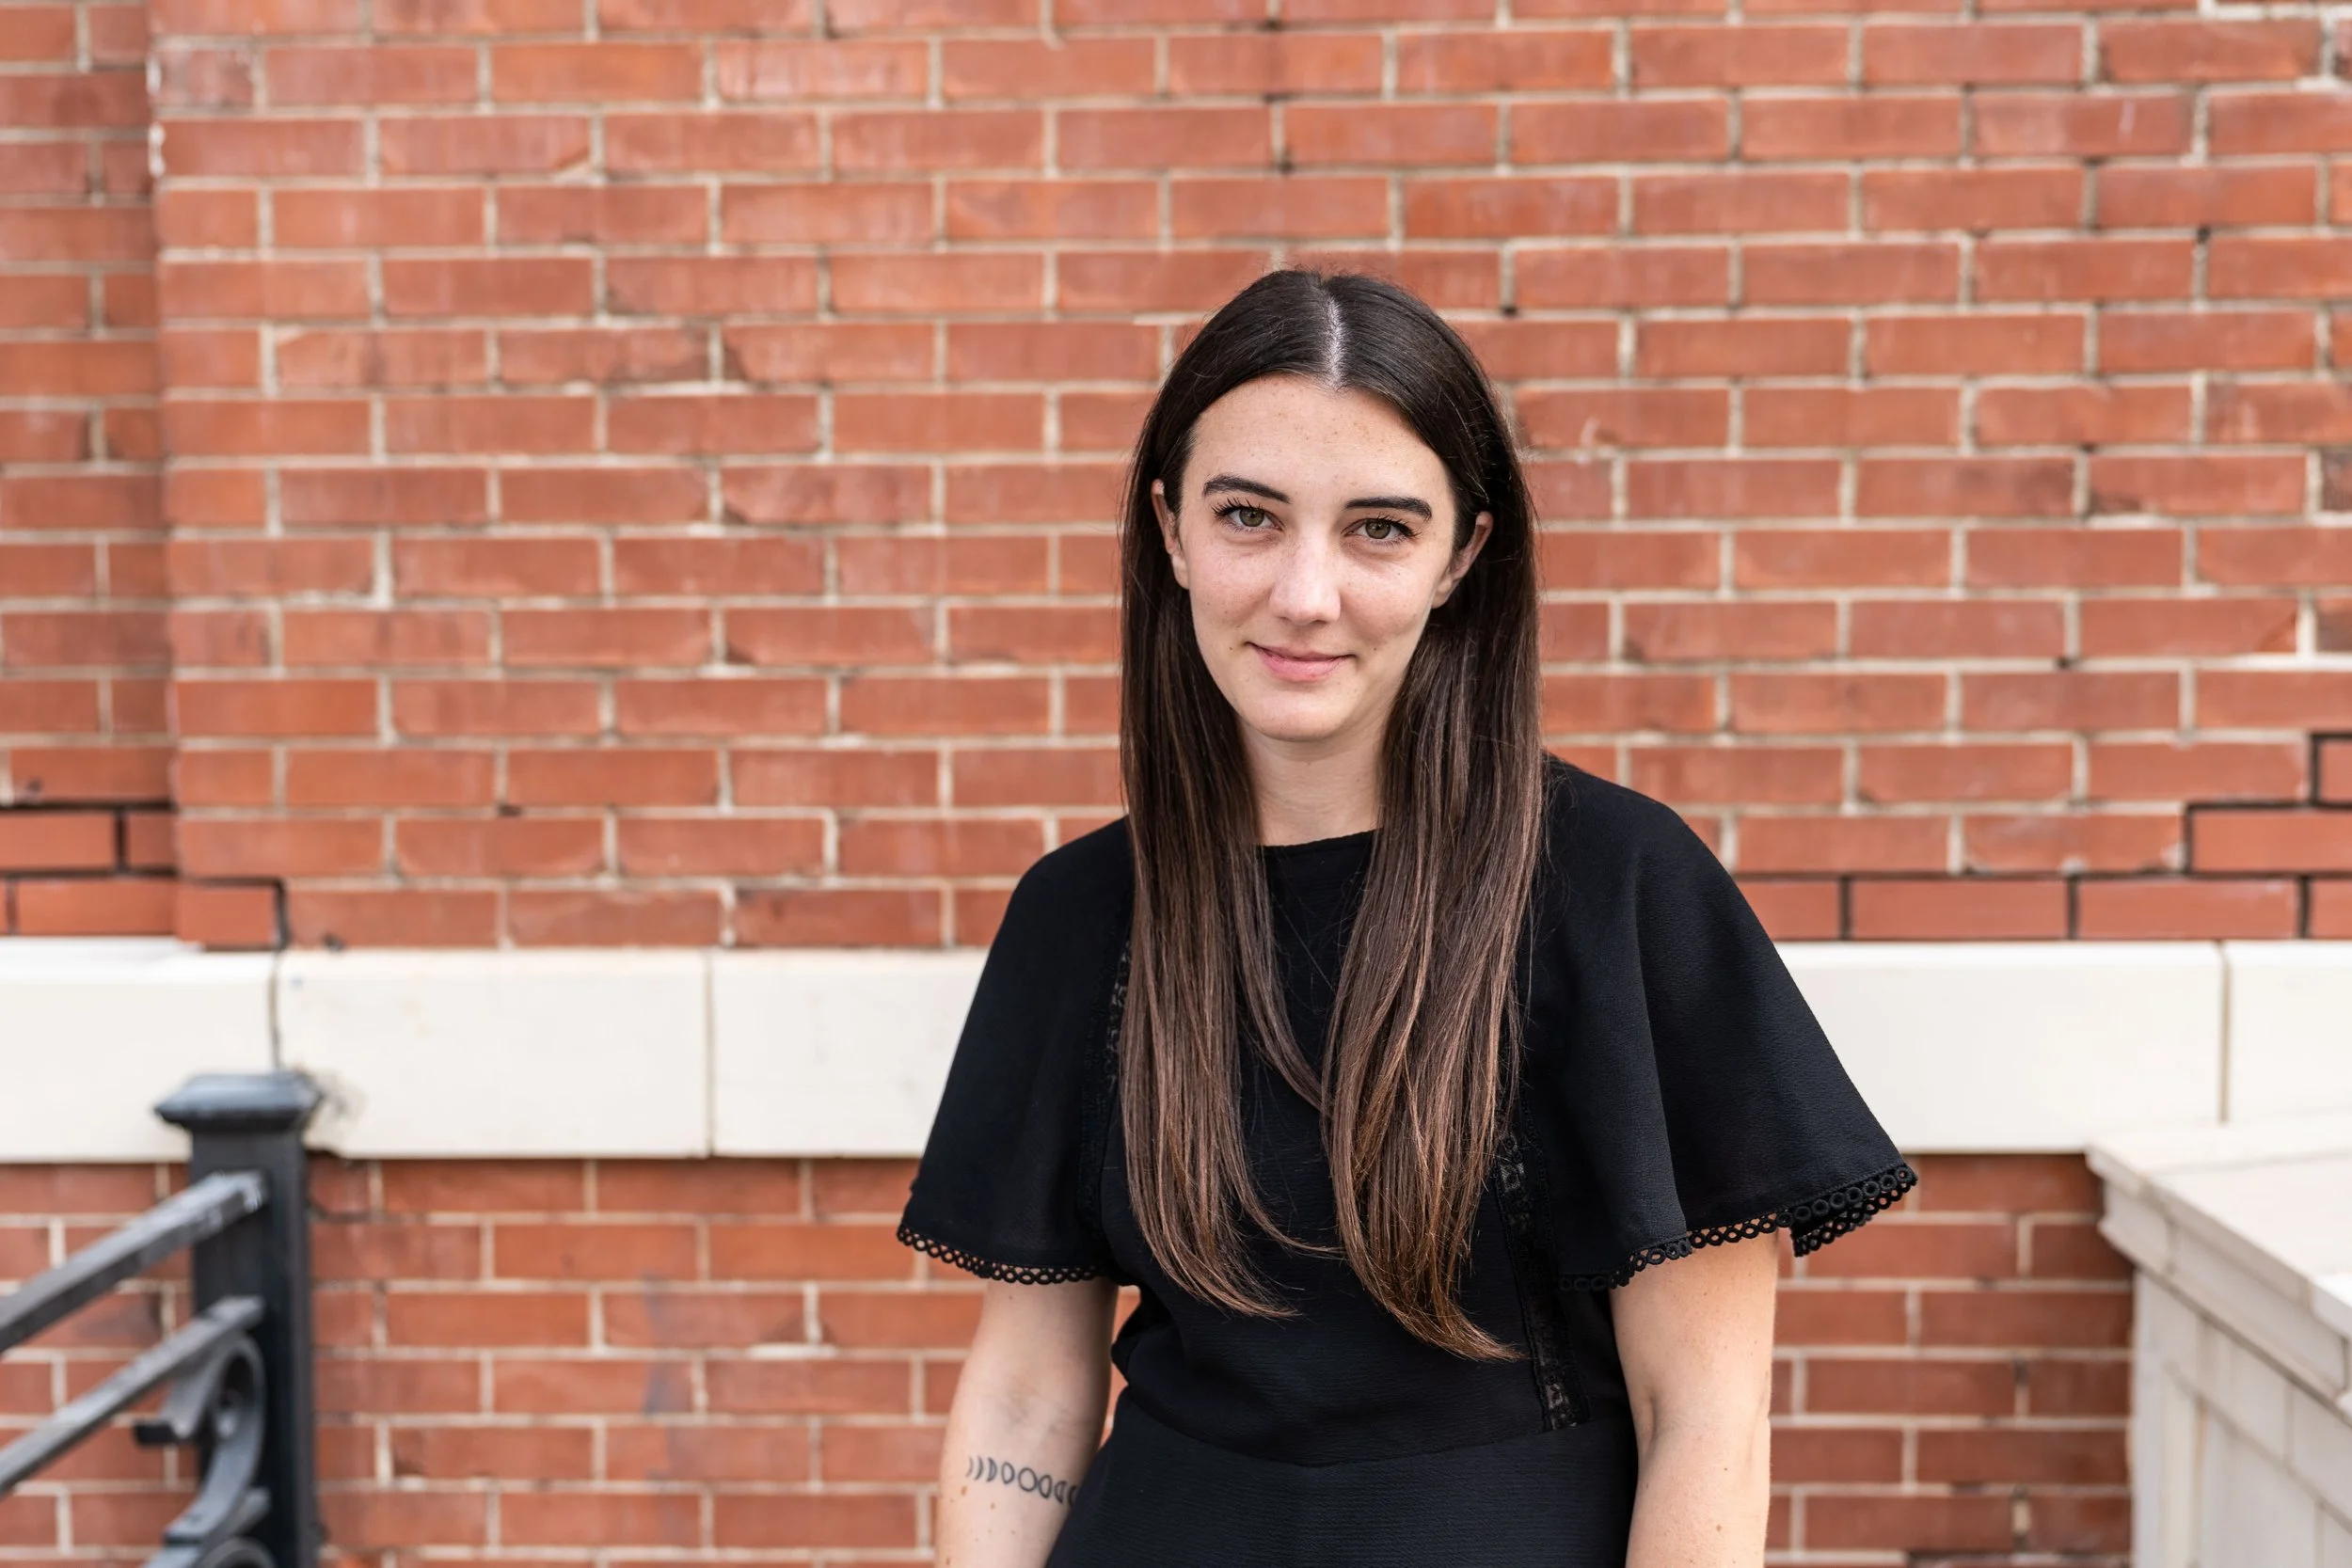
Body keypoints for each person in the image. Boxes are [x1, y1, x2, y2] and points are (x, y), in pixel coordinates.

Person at [895, 269, 1916, 1568]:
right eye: (1249, 516)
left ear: (1463, 556)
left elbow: (1703, 1414)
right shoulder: (1081, 915)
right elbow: (1029, 1392)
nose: (1306, 593)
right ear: (1171, 531)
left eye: (1378, 528)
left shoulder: (1615, 887)